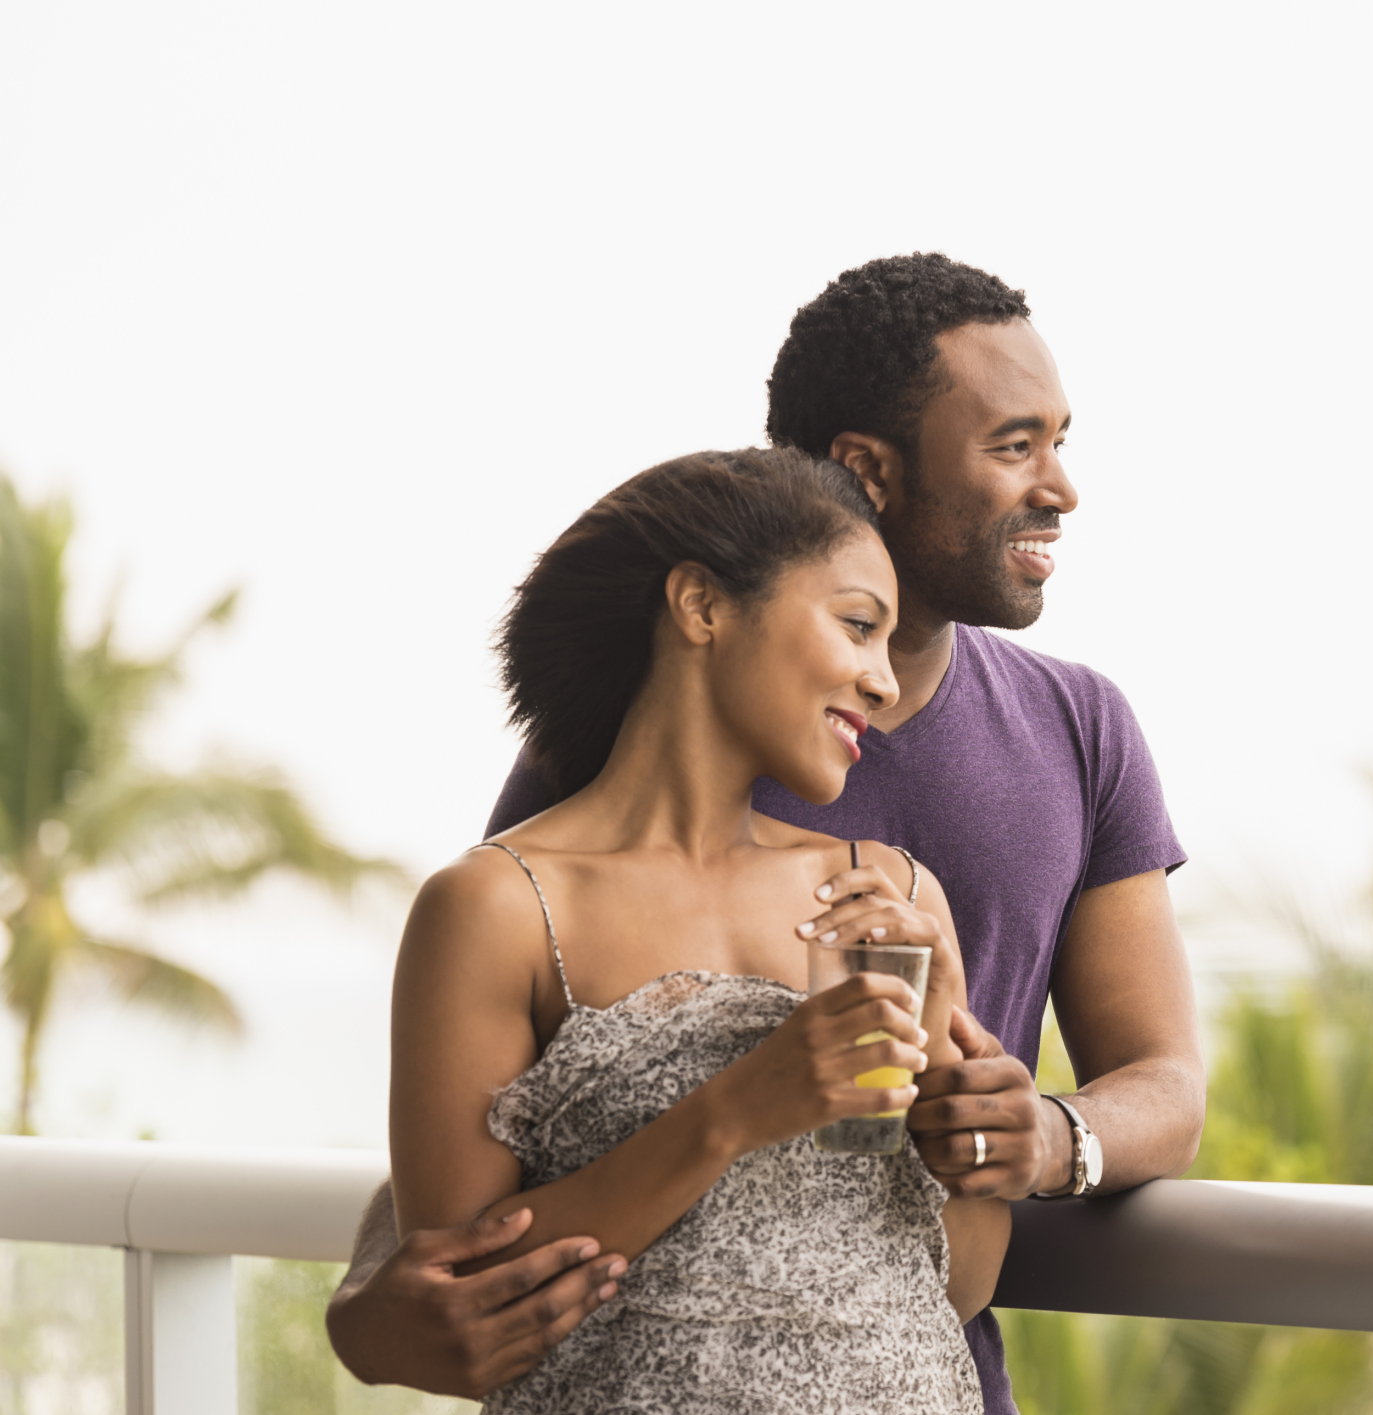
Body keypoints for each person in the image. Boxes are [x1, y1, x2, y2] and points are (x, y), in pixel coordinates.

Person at [329, 254, 1206, 1414]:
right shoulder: (553, 818)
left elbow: (1141, 1098)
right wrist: (367, 1305)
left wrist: (1026, 1129)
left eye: (1058, 439)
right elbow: (481, 1169)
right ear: (864, 469)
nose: (1060, 486)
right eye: (1012, 444)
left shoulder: (1056, 747)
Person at [394, 447, 993, 1412]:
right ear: (702, 606)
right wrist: (739, 1107)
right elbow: (467, 1300)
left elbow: (958, 1281)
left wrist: (957, 1104)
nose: (883, 682)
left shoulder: (892, 897)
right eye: (856, 625)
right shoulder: (498, 908)